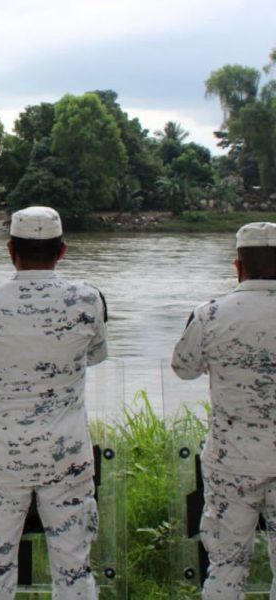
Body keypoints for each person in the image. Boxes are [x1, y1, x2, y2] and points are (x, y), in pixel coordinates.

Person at [0, 206, 108, 599]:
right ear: (61, 251)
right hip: (67, 457)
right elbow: (96, 355)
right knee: (74, 571)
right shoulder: (88, 300)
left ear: (10, 249)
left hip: (2, 459)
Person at [171, 221, 276, 599]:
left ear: (238, 266)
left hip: (231, 461)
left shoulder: (211, 314)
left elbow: (183, 368)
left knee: (226, 569)